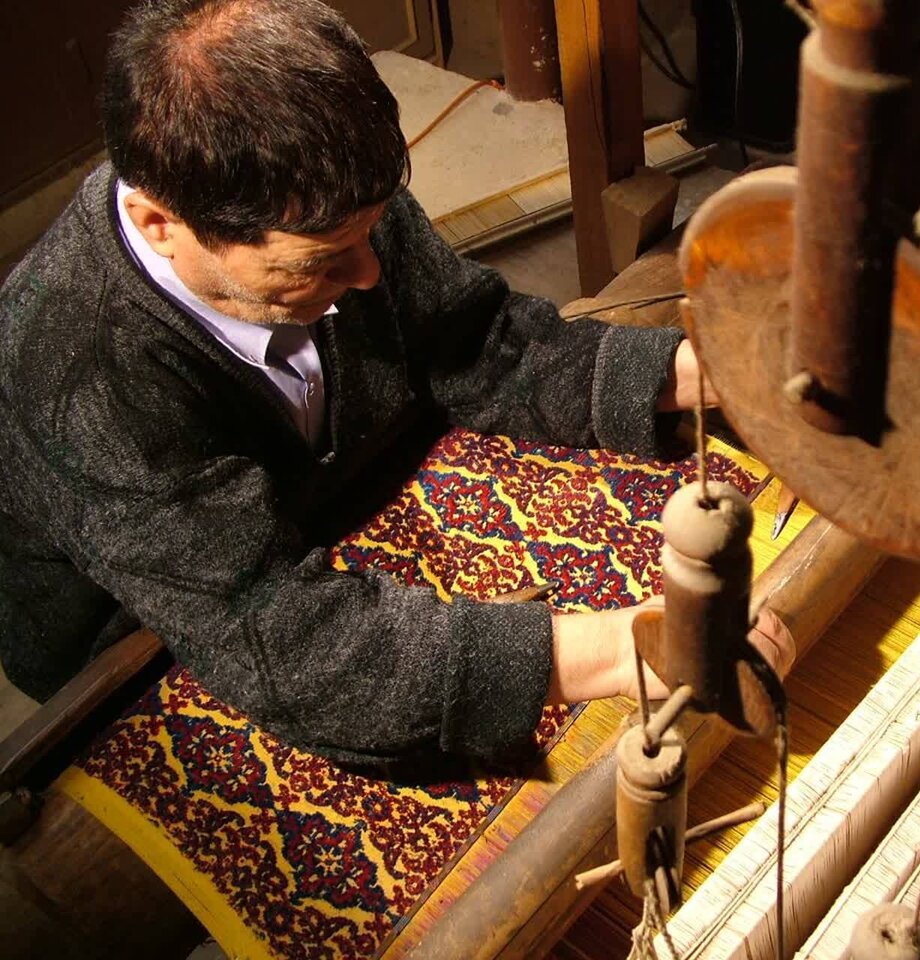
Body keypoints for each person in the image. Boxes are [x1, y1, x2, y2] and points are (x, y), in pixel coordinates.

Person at [0, 0, 793, 766]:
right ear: (160, 225)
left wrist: (722, 374)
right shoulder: (74, 364)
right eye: (320, 263)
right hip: (138, 639)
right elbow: (281, 641)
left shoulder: (324, 185)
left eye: (370, 234)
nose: (370, 275)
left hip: (316, 507)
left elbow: (476, 344)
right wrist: (634, 646)